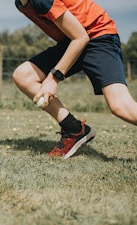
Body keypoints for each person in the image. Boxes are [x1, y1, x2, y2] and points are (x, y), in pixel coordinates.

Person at [12, 0, 137, 158]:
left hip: (97, 36)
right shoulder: (21, 3)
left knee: (121, 107)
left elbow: (81, 37)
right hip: (72, 41)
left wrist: (54, 77)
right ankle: (74, 130)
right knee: (23, 76)